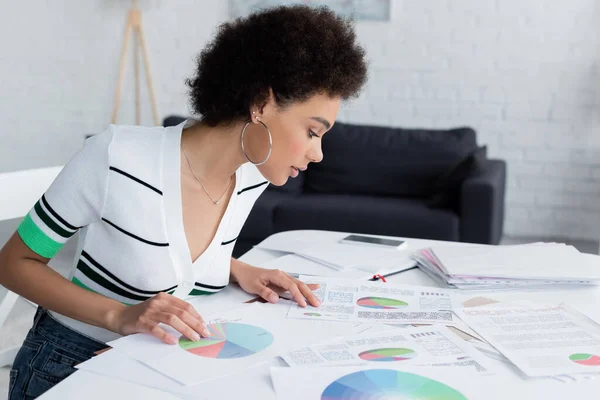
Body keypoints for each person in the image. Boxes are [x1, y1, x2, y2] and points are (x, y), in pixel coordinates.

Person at [0, 4, 367, 398]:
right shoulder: (118, 158)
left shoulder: (250, 177)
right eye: (313, 132)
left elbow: (164, 247)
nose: (319, 154)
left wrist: (235, 268)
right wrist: (119, 315)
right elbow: (14, 263)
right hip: (70, 369)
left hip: (161, 371)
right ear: (262, 103)